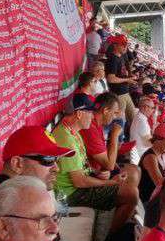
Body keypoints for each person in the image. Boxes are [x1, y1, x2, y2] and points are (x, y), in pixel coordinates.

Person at [52, 93, 138, 233]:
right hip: (71, 194)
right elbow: (79, 182)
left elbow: (81, 166)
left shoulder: (73, 132)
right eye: (90, 112)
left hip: (78, 187)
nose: (92, 116)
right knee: (131, 194)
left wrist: (96, 173)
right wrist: (111, 182)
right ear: (79, 114)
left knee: (130, 185)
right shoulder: (67, 139)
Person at [104, 36, 137, 123]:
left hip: (125, 92)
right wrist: (127, 80)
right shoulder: (113, 59)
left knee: (133, 119)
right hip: (118, 94)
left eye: (126, 45)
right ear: (115, 45)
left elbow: (122, 74)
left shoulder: (121, 56)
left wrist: (130, 77)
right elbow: (110, 79)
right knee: (119, 123)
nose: (125, 47)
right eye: (123, 45)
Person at [138, 122, 165, 203]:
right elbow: (159, 184)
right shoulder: (150, 157)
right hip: (147, 200)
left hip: (154, 198)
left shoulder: (162, 155)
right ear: (159, 140)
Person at [130, 94, 157, 161]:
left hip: (139, 152)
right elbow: (148, 143)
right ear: (145, 107)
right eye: (152, 108)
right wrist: (154, 126)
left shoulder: (139, 116)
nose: (153, 111)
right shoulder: (142, 121)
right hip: (141, 156)